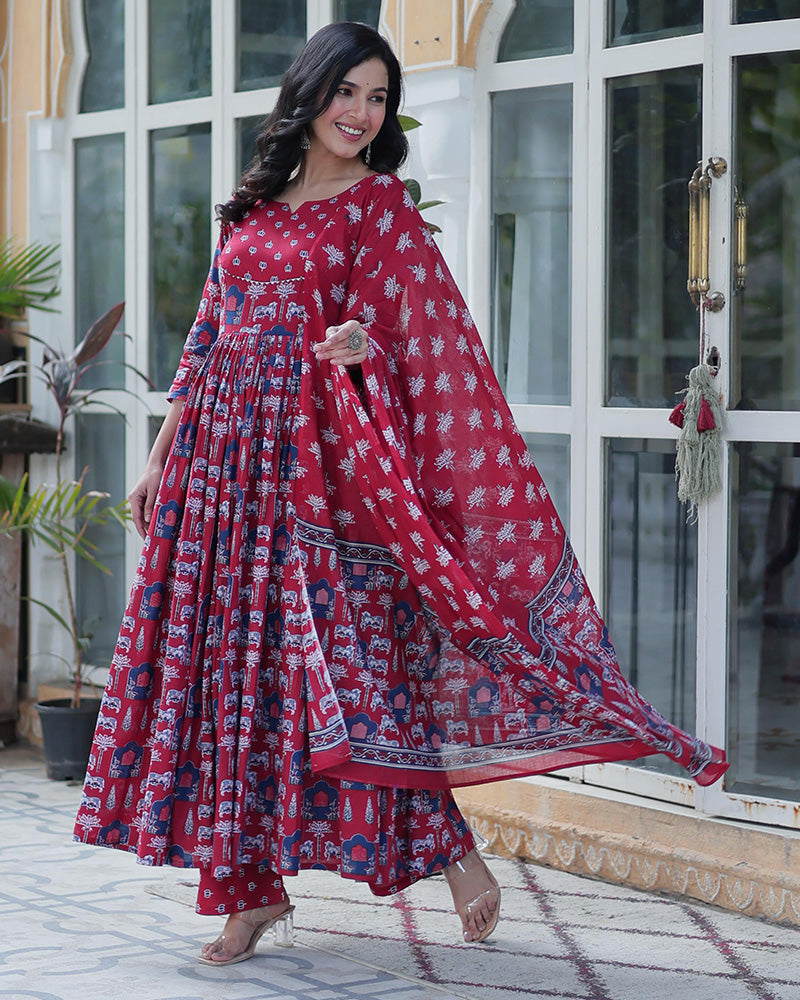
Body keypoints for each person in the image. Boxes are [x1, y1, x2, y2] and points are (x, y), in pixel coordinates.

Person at [74, 21, 727, 966]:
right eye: (348, 91)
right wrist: (158, 458)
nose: (361, 113)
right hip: (221, 471)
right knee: (234, 672)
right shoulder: (250, 206)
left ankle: (452, 853)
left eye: (378, 98)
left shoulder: (376, 206)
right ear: (310, 93)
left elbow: (426, 334)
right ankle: (250, 892)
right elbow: (206, 339)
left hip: (318, 472)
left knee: (351, 670)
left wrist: (360, 347)